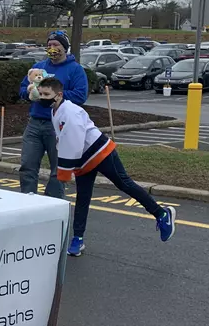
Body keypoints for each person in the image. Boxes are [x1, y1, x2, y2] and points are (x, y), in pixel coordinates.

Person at [36, 77, 176, 256]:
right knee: (83, 198)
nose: (43, 97)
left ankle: (162, 215)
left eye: (47, 94)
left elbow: (73, 142)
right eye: (41, 94)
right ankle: (78, 238)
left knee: (124, 184)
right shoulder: (55, 111)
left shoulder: (71, 112)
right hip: (83, 160)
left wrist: (64, 169)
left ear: (59, 94)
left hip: (100, 152)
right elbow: (63, 140)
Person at [19, 30, 89, 198]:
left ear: (65, 47)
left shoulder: (75, 70)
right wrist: (30, 92)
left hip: (59, 125)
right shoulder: (39, 68)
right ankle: (27, 203)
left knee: (57, 170)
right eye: (49, 45)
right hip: (35, 123)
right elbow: (22, 89)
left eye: (56, 44)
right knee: (27, 165)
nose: (52, 48)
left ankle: (53, 203)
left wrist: (54, 96)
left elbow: (80, 95)